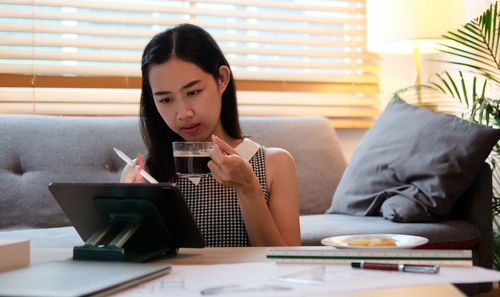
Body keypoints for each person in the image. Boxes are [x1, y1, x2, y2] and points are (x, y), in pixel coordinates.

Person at [120, 23, 300, 247]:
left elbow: (286, 264)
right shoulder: (146, 175)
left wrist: (248, 188)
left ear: (221, 79)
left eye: (193, 92)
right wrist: (130, 206)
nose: (183, 113)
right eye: (166, 99)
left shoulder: (275, 164)